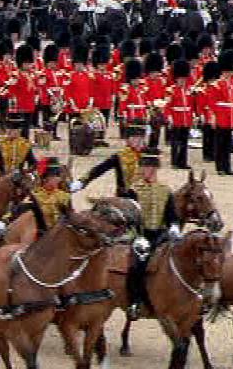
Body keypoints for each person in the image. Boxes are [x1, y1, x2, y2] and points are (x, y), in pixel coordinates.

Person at [116, 147, 179, 320]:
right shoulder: (133, 190)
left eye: (148, 167)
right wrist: (136, 236)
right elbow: (129, 218)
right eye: (143, 167)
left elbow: (172, 215)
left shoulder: (165, 190)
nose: (145, 170)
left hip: (161, 235)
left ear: (155, 168)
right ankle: (135, 302)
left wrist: (174, 227)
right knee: (137, 266)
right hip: (140, 235)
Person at [79, 121, 147, 194]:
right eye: (133, 138)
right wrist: (82, 181)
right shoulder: (120, 156)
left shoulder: (150, 155)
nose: (137, 141)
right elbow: (100, 169)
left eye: (139, 138)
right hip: (125, 197)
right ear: (127, 140)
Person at [165, 58, 193, 169]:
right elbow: (167, 106)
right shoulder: (170, 90)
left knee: (184, 142)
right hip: (176, 118)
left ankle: (183, 162)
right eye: (180, 79)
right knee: (175, 142)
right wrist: (169, 117)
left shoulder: (188, 90)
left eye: (184, 79)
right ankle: (175, 162)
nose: (182, 81)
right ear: (176, 79)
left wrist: (193, 116)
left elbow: (190, 105)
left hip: (186, 118)